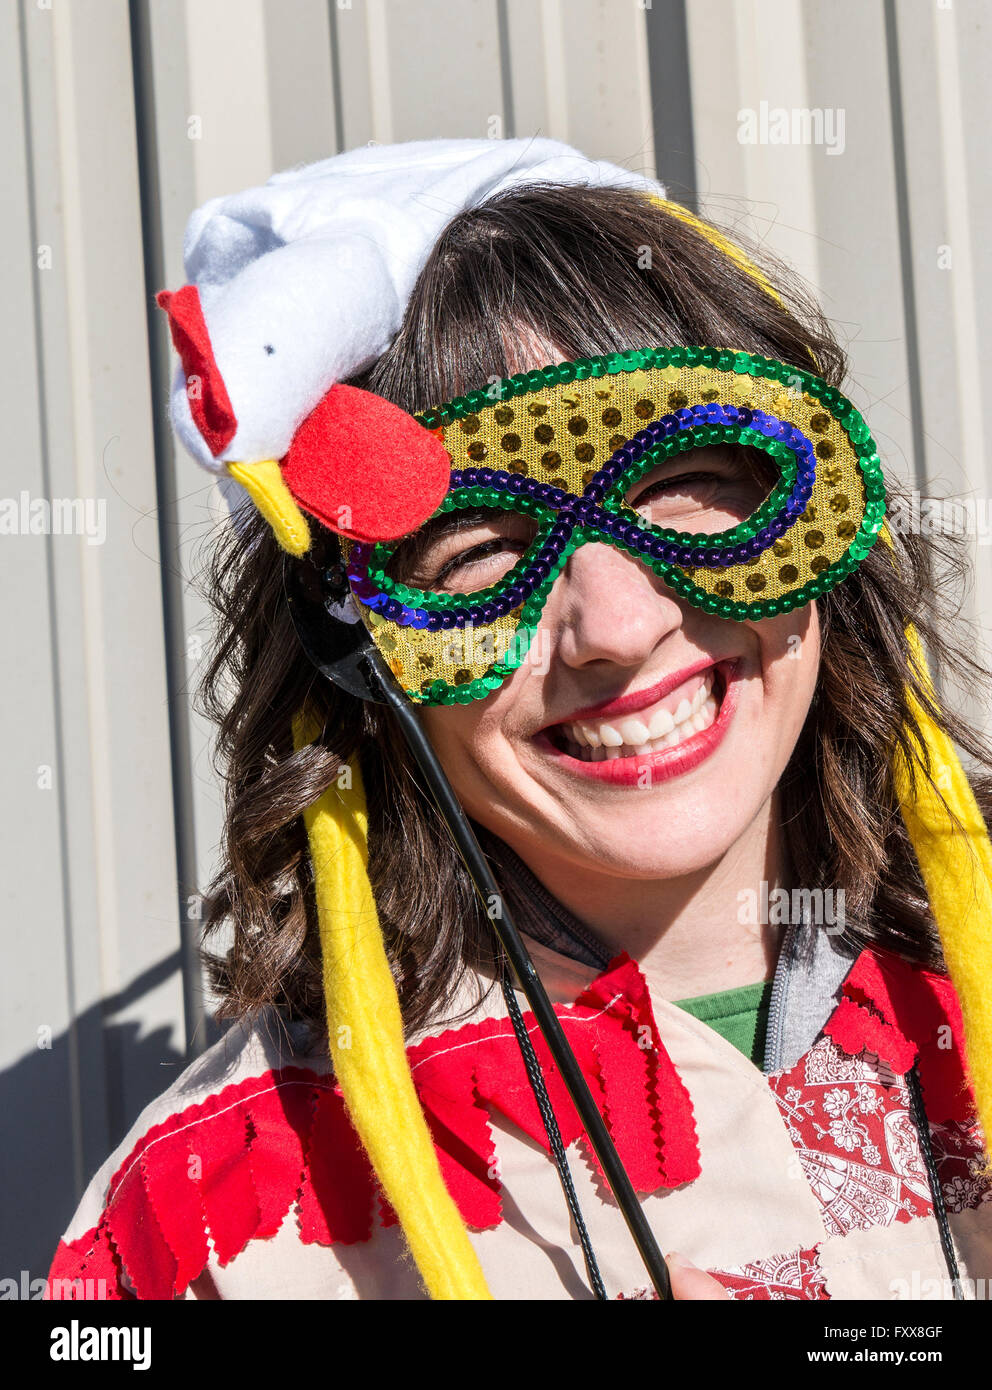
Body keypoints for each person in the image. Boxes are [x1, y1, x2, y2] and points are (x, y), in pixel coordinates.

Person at [47, 139, 992, 1301]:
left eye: (684, 481)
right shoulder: (214, 1214)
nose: (613, 624)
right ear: (357, 656)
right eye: (481, 550)